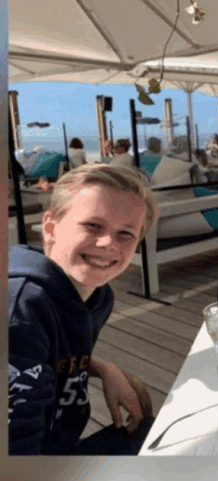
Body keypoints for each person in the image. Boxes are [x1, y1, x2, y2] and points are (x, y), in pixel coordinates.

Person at [8, 163, 159, 456]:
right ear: (50, 227)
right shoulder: (20, 310)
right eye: (93, 225)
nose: (108, 244)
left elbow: (44, 359)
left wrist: (103, 368)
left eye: (126, 233)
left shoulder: (95, 298)